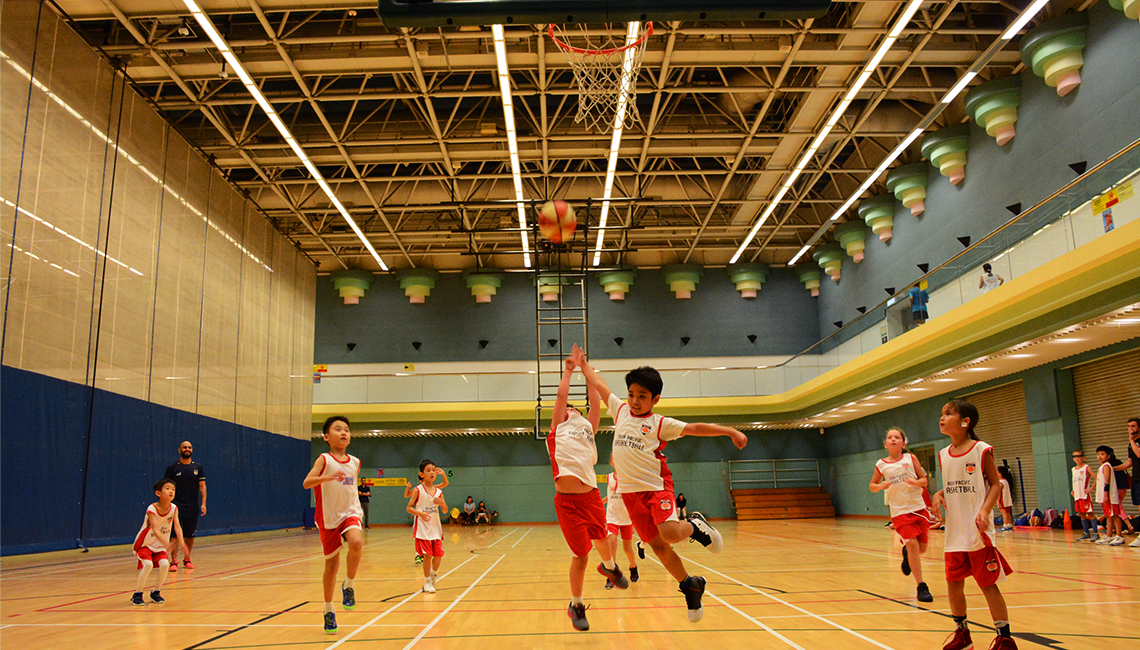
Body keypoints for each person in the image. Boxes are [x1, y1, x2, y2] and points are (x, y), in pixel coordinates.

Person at [572, 346, 748, 623]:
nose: (634, 401)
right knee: (658, 547)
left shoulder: (659, 423)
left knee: (669, 533)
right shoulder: (619, 411)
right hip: (630, 495)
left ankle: (696, 524)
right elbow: (600, 384)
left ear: (655, 399)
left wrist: (729, 431)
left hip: (656, 488)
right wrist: (582, 366)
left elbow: (695, 428)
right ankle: (690, 585)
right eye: (631, 394)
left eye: (642, 396)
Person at [548, 347, 628, 631]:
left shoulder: (588, 427)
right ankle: (577, 605)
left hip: (591, 496)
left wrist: (586, 369)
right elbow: (560, 396)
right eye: (568, 408)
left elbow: (595, 403)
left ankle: (609, 566)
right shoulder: (557, 428)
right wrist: (569, 369)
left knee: (603, 537)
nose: (571, 408)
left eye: (574, 407)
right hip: (567, 502)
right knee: (580, 557)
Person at [932, 399, 1017, 650]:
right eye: (941, 414)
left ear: (965, 421)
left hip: (978, 532)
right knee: (953, 583)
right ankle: (962, 634)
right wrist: (938, 496)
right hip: (954, 532)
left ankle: (1005, 638)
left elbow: (996, 484)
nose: (942, 417)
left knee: (987, 584)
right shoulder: (943, 455)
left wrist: (985, 509)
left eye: (949, 413)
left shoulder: (981, 449)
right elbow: (950, 487)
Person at [303, 416, 365, 634]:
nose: (344, 433)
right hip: (328, 517)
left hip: (350, 512)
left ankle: (349, 585)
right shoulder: (323, 459)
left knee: (356, 542)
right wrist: (327, 477)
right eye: (338, 429)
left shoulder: (355, 462)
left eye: (347, 429)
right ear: (327, 437)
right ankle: (328, 609)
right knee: (331, 566)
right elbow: (306, 483)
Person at [869, 427, 933, 603]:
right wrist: (880, 486)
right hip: (899, 511)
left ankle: (907, 554)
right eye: (890, 437)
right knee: (912, 544)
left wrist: (916, 482)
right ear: (885, 444)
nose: (893, 439)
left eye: (897, 437)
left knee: (922, 548)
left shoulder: (911, 458)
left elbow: (924, 480)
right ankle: (921, 586)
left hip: (918, 508)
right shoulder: (881, 464)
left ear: (903, 443)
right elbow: (872, 485)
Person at [131, 478, 190, 606]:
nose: (171, 491)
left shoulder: (174, 508)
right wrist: (166, 542)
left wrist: (182, 543)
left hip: (159, 546)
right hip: (145, 544)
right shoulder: (151, 508)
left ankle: (155, 592)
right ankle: (137, 594)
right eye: (167, 488)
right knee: (148, 565)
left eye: (173, 489)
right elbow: (155, 529)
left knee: (164, 565)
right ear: (158, 493)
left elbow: (177, 527)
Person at [163, 440, 206, 571]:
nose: (187, 449)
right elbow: (166, 487)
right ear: (179, 450)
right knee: (175, 535)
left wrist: (203, 503)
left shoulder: (198, 467)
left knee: (190, 535)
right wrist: (166, 504)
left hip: (192, 507)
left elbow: (202, 487)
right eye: (184, 447)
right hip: (176, 507)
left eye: (189, 447)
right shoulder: (172, 468)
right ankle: (173, 561)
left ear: (192, 450)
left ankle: (187, 559)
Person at [407, 459, 447, 593]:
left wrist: (442, 503)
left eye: (434, 470)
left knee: (438, 557)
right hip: (423, 528)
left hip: (436, 528)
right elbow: (409, 508)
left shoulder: (438, 491)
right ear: (422, 474)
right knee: (428, 556)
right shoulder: (418, 490)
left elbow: (445, 510)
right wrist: (420, 514)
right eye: (428, 470)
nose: (432, 472)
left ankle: (433, 576)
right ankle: (427, 581)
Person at [601, 464, 639, 589]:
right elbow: (611, 497)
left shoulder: (629, 477)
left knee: (627, 549)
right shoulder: (609, 477)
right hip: (612, 517)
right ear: (611, 462)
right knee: (611, 542)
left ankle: (633, 566)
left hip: (626, 518)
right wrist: (600, 502)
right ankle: (612, 575)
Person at [1093, 445, 1126, 546]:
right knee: (1108, 516)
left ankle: (1119, 536)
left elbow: (1107, 481)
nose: (1100, 456)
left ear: (1108, 456)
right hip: (1103, 496)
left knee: (1115, 515)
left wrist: (1106, 494)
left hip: (1110, 496)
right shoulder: (1101, 466)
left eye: (1102, 454)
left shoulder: (1107, 466)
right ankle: (1109, 535)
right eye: (1098, 454)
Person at [1071, 449, 1098, 542]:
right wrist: (1073, 490)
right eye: (1074, 456)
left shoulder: (1086, 467)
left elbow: (1096, 478)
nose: (1077, 458)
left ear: (1083, 457)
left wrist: (1091, 489)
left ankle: (1095, 533)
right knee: (1082, 514)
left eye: (1078, 456)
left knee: (1090, 514)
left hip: (1085, 495)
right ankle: (1086, 533)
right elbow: (1074, 481)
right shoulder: (1073, 469)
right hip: (1077, 496)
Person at [1128, 418, 1140, 546]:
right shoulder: (1131, 444)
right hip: (1136, 478)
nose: (1130, 429)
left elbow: (1139, 454)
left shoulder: (1136, 443)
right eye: (1128, 426)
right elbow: (1130, 462)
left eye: (1133, 426)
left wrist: (1132, 441)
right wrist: (1110, 467)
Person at [996, 465, 1015, 532]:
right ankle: (1010, 525)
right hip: (1008, 500)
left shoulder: (1000, 483)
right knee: (1008, 513)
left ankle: (1005, 525)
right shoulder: (1006, 481)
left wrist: (998, 501)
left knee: (1004, 513)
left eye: (997, 473)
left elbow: (999, 493)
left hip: (1003, 500)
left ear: (1000, 474)